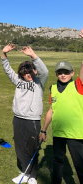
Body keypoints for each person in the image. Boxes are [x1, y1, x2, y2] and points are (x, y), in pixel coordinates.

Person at [39, 28, 83, 184]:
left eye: (66, 72)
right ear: (56, 74)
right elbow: (51, 110)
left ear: (72, 73)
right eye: (60, 72)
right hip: (58, 133)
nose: (63, 75)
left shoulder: (78, 85)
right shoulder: (53, 88)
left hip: (76, 134)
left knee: (80, 166)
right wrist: (43, 130)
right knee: (58, 162)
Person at [1, 44, 49, 184]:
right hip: (18, 119)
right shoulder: (18, 81)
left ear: (35, 70)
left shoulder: (40, 82)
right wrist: (4, 54)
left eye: (31, 72)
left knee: (32, 148)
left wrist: (33, 55)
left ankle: (33, 175)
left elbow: (44, 71)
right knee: (20, 147)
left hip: (32, 120)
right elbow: (8, 70)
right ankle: (25, 173)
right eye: (25, 73)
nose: (28, 75)